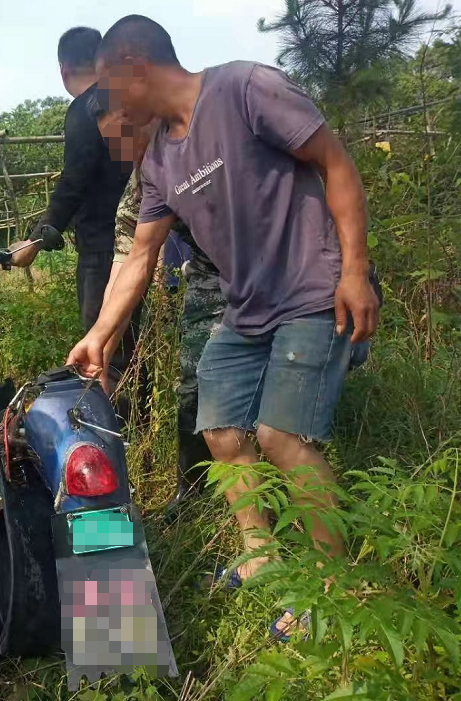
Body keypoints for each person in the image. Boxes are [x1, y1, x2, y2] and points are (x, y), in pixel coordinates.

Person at [67, 15, 380, 638]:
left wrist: (355, 270)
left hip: (313, 292)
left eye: (109, 84)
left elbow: (335, 161)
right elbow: (140, 256)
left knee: (280, 436)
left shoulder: (244, 89)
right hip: (246, 311)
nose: (108, 100)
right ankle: (260, 556)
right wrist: (99, 334)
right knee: (219, 430)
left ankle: (332, 587)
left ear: (135, 66)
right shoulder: (158, 158)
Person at [93, 102, 226, 518]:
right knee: (195, 388)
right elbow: (128, 260)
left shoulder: (212, 135)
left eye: (123, 137)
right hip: (210, 278)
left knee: (262, 406)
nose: (119, 151)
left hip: (274, 268)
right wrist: (102, 345)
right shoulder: (145, 178)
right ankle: (194, 497)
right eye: (110, 143)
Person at [10, 27, 135, 389]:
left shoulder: (87, 108)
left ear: (64, 70)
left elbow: (74, 182)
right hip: (143, 241)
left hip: (103, 247)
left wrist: (34, 242)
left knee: (105, 353)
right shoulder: (127, 104)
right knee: (135, 347)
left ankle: (116, 437)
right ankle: (142, 429)